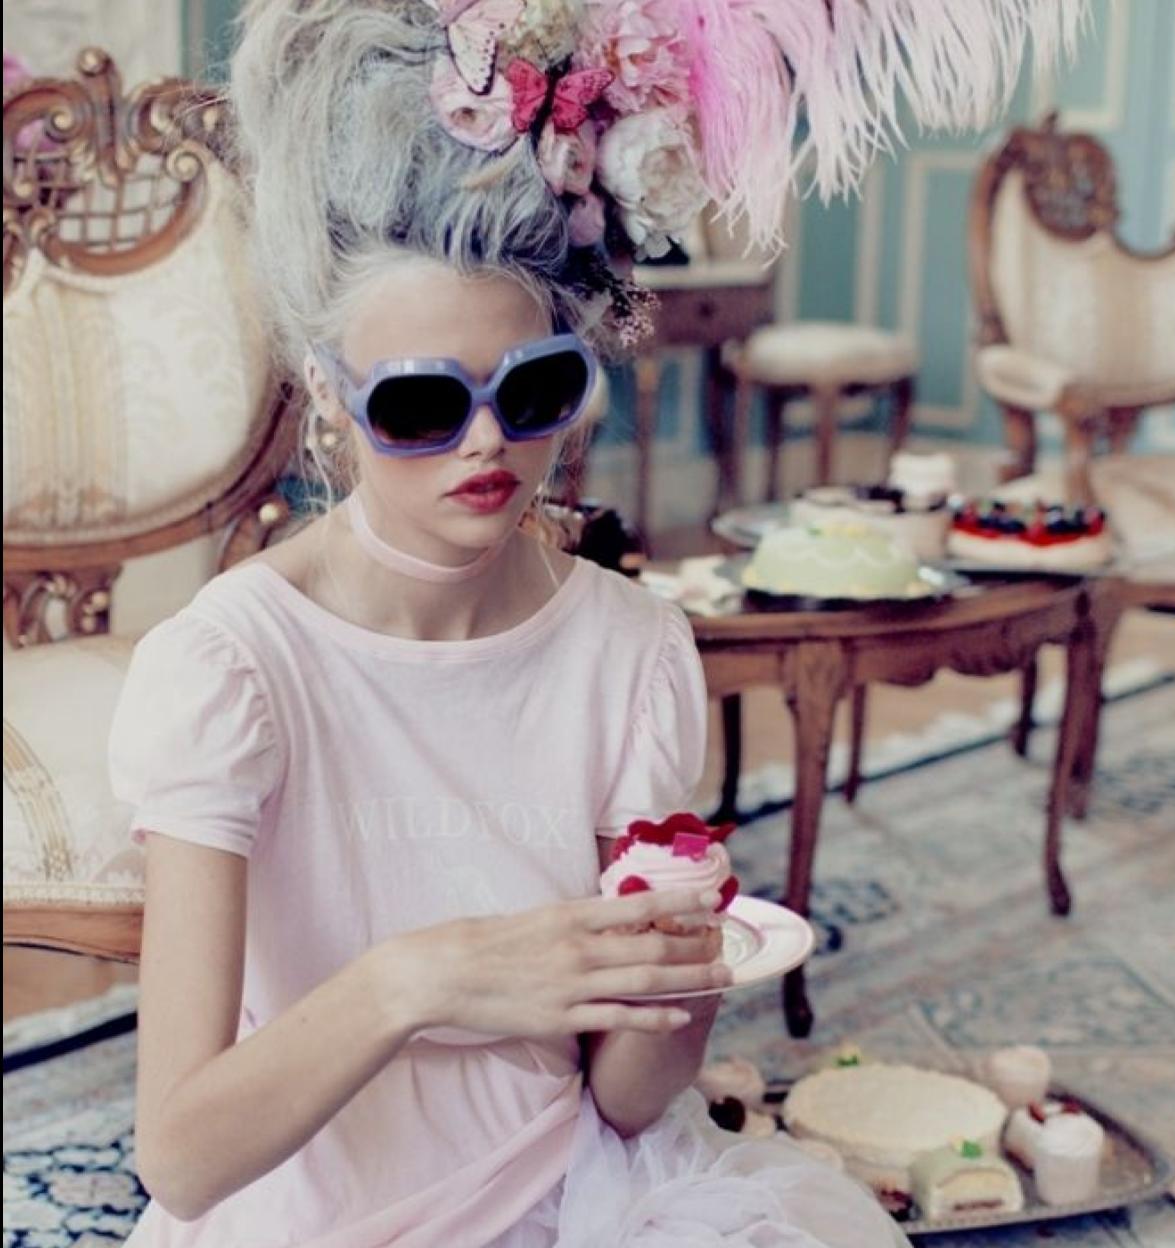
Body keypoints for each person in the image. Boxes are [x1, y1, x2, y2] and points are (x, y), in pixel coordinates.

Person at [107, 3, 924, 1245]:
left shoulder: (630, 650)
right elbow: (181, 1157)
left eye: (533, 389)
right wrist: (424, 977)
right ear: (331, 395)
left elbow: (625, 1104)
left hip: (577, 1196)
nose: (489, 444)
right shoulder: (233, 671)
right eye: (425, 405)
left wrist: (679, 990)